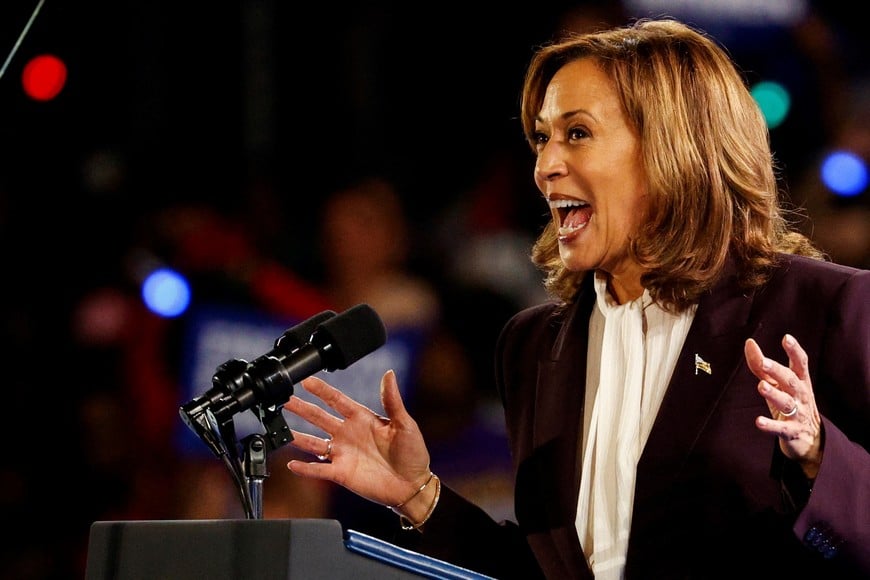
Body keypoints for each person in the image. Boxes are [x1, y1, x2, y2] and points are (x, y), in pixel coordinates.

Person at [280, 17, 870, 579]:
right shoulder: (534, 345)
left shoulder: (826, 309)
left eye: (577, 134)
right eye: (542, 138)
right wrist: (419, 496)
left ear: (671, 148)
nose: (544, 166)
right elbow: (547, 574)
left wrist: (821, 455)